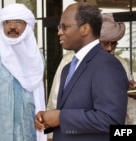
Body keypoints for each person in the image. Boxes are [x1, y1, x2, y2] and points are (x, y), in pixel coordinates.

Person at [35, 2, 129, 141]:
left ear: (85, 28)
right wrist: (48, 120)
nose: (59, 32)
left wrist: (60, 117)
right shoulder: (68, 68)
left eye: (65, 26)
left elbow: (111, 120)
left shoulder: (107, 65)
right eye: (59, 27)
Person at [0, 3, 46, 141]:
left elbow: (39, 95)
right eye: (7, 22)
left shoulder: (37, 57)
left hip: (28, 132)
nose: (12, 27)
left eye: (18, 22)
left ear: (28, 26)